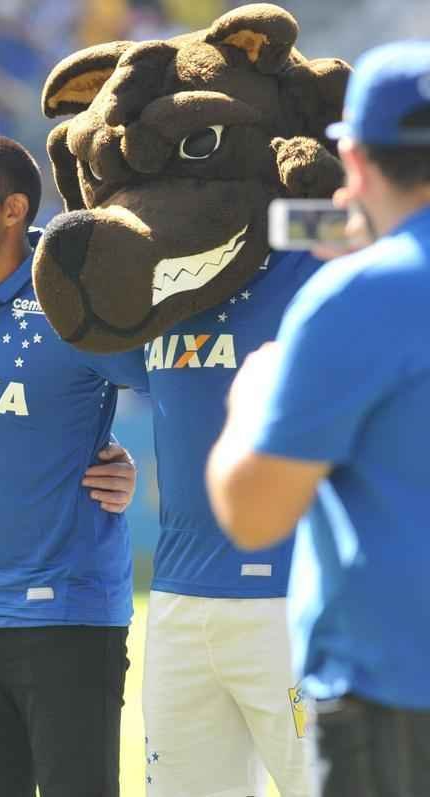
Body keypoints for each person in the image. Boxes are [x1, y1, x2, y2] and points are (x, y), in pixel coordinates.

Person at [207, 41, 430, 797]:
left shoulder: (359, 295)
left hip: (396, 695)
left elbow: (254, 510)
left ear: (357, 160)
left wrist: (252, 394)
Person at [0, 135, 141, 796]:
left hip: (65, 619)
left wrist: (130, 468)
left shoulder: (75, 301)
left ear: (14, 209)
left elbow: (178, 389)